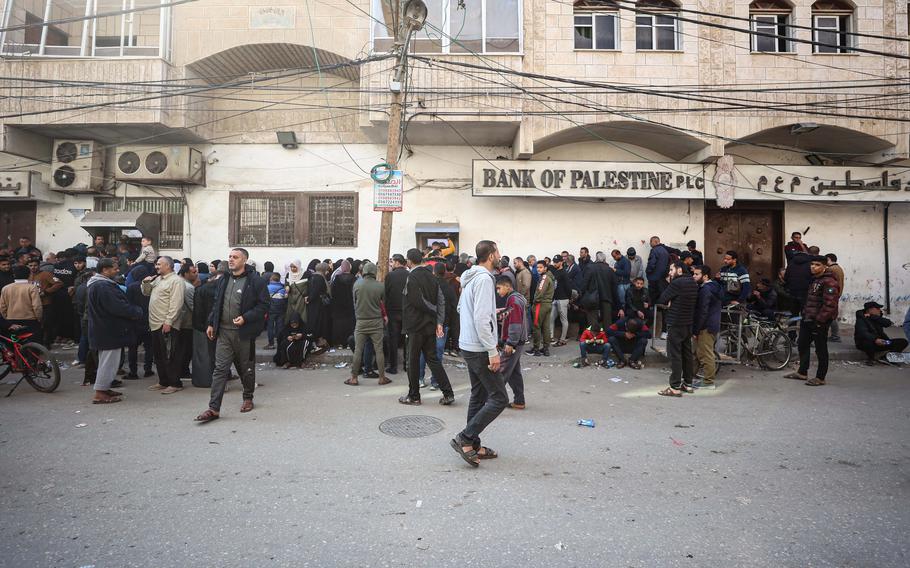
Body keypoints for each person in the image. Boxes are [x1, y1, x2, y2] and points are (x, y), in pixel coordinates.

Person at [195, 248, 269, 422]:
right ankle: (213, 409)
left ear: (244, 260)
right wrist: (212, 323)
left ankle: (248, 397)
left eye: (235, 257)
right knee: (220, 369)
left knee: (246, 368)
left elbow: (264, 305)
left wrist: (245, 318)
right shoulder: (224, 279)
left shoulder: (255, 281)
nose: (231, 260)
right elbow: (217, 303)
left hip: (243, 333)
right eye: (229, 257)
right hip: (224, 332)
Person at [451, 240, 507, 467]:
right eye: (498, 251)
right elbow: (481, 319)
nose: (500, 255)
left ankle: (472, 444)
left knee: (479, 394)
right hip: (479, 347)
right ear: (492, 255)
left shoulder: (470, 277)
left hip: (469, 343)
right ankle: (465, 437)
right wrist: (492, 350)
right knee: (500, 398)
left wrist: (492, 313)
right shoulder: (484, 279)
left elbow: (464, 309)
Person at [399, 248, 455, 406]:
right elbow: (441, 300)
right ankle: (448, 392)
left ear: (409, 261)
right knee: (433, 359)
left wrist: (434, 311)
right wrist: (438, 321)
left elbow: (418, 301)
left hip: (416, 326)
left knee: (412, 360)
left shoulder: (412, 277)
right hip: (429, 325)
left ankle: (414, 395)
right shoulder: (432, 277)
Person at [86, 258, 142, 404]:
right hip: (108, 330)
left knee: (108, 361)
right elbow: (118, 307)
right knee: (108, 363)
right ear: (105, 270)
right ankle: (100, 393)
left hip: (104, 329)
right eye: (115, 268)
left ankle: (104, 388)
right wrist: (137, 311)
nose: (118, 270)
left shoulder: (99, 284)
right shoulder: (103, 287)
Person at [784, 256, 840, 386]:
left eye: (817, 265)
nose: (813, 267)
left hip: (819, 321)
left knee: (820, 348)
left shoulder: (829, 282)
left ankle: (820, 377)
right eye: (812, 264)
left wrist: (820, 320)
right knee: (802, 343)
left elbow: (830, 304)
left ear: (825, 266)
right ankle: (802, 372)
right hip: (808, 318)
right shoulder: (814, 280)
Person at [141, 256, 187, 394]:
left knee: (170, 355)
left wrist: (169, 321)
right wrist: (145, 282)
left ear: (168, 265)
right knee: (159, 355)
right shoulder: (157, 279)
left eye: (159, 264)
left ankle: (175, 383)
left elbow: (176, 303)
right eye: (156, 264)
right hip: (154, 323)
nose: (156, 266)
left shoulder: (176, 281)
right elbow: (146, 293)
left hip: (166, 324)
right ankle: (163, 381)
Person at [345, 262, 390, 386]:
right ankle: (382, 378)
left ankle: (354, 378)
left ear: (363, 271)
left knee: (358, 350)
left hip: (361, 322)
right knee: (379, 350)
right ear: (375, 272)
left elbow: (355, 302)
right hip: (376, 321)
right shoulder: (380, 286)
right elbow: (382, 303)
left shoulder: (357, 284)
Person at [657, 263, 699, 397]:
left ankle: (675, 387)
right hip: (687, 323)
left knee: (675, 354)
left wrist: (670, 285)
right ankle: (688, 384)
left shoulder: (677, 283)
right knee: (687, 354)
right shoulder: (692, 282)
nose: (669, 273)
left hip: (676, 323)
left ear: (679, 270)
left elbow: (663, 299)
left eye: (671, 270)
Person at [419, 263, 457, 390]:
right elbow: (453, 307)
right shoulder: (448, 287)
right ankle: (435, 381)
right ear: (445, 272)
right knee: (438, 352)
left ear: (434, 272)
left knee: (424, 351)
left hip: (427, 323)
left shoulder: (428, 285)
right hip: (443, 324)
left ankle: (420, 378)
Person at [495, 275, 528, 409]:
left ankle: (494, 403)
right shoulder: (515, 298)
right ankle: (519, 401)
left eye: (499, 288)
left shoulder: (513, 300)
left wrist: (510, 343)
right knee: (514, 373)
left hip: (514, 342)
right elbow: (512, 316)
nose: (498, 292)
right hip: (517, 341)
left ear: (508, 286)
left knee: (501, 373)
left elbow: (515, 324)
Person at [191, 266, 221, 387]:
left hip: (202, 327)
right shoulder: (222, 290)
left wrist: (199, 326)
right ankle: (220, 380)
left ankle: (203, 380)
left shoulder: (200, 290)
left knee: (203, 355)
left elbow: (197, 310)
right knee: (219, 356)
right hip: (218, 326)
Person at [692, 265, 722, 386]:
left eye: (696, 274)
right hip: (710, 324)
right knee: (699, 353)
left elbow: (702, 311)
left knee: (705, 354)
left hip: (706, 326)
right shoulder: (713, 287)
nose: (694, 276)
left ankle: (709, 382)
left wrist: (696, 329)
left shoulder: (706, 290)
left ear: (705, 276)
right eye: (693, 274)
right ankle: (690, 379)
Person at [125, 264, 154, 380]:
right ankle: (148, 369)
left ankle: (133, 372)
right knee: (149, 347)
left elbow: (127, 304)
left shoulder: (131, 287)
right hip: (149, 320)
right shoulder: (151, 286)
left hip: (135, 321)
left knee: (133, 348)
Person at [0, 265, 42, 337]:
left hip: (11, 320)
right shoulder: (31, 288)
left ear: (14, 275)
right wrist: (39, 318)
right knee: (33, 343)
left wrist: (6, 318)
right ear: (29, 274)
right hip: (30, 320)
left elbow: (2, 307)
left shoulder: (6, 288)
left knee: (14, 342)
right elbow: (37, 306)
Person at [384, 254, 408, 375]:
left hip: (393, 312)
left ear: (398, 262)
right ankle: (407, 365)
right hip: (407, 312)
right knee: (406, 340)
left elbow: (386, 294)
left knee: (393, 339)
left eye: (392, 262)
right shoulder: (409, 275)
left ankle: (393, 366)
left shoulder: (390, 276)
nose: (391, 264)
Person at [582, 251, 618, 331]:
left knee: (592, 320)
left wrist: (582, 296)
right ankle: (607, 339)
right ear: (605, 260)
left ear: (596, 259)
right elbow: (614, 287)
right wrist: (617, 303)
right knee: (607, 321)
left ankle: (594, 339)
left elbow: (584, 284)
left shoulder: (590, 268)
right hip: (607, 298)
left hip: (592, 297)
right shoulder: (609, 270)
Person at [528, 260, 554, 357]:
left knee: (536, 327)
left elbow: (540, 292)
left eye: (540, 267)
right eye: (537, 267)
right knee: (546, 328)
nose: (538, 269)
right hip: (548, 304)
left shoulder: (544, 278)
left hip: (540, 305)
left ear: (545, 268)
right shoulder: (550, 276)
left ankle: (536, 349)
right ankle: (546, 349)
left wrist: (535, 301)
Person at [329, 260, 356, 348]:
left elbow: (332, 292)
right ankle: (349, 343)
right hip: (350, 306)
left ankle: (339, 343)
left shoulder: (337, 279)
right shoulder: (354, 278)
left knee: (339, 325)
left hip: (338, 307)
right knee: (349, 325)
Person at [548, 254, 571, 347]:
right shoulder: (555, 270)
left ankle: (562, 339)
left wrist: (568, 298)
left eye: (557, 262)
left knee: (563, 320)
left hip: (563, 298)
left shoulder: (564, 272)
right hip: (556, 298)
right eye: (554, 261)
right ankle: (551, 337)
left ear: (561, 262)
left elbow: (568, 287)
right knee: (551, 318)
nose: (555, 263)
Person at [307, 263, 330, 347]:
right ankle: (319, 340)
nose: (328, 272)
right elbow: (316, 291)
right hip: (318, 304)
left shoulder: (312, 276)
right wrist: (310, 298)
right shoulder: (320, 278)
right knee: (318, 322)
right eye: (327, 270)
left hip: (313, 304)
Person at [645, 236, 670, 306]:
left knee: (653, 299)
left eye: (651, 242)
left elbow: (651, 264)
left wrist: (647, 272)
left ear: (655, 242)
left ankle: (653, 315)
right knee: (661, 298)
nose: (650, 244)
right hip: (663, 279)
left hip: (654, 279)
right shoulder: (665, 251)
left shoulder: (654, 250)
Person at [826, 253, 845, 342]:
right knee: (832, 315)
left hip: (831, 296)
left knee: (830, 316)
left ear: (829, 259)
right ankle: (834, 335)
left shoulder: (831, 269)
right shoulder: (839, 268)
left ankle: (835, 336)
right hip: (836, 295)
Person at [265, 273, 287, 349]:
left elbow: (264, 299)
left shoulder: (267, 288)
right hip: (281, 310)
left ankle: (271, 344)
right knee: (280, 326)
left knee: (270, 327)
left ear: (271, 279)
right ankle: (280, 343)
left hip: (271, 310)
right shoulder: (283, 288)